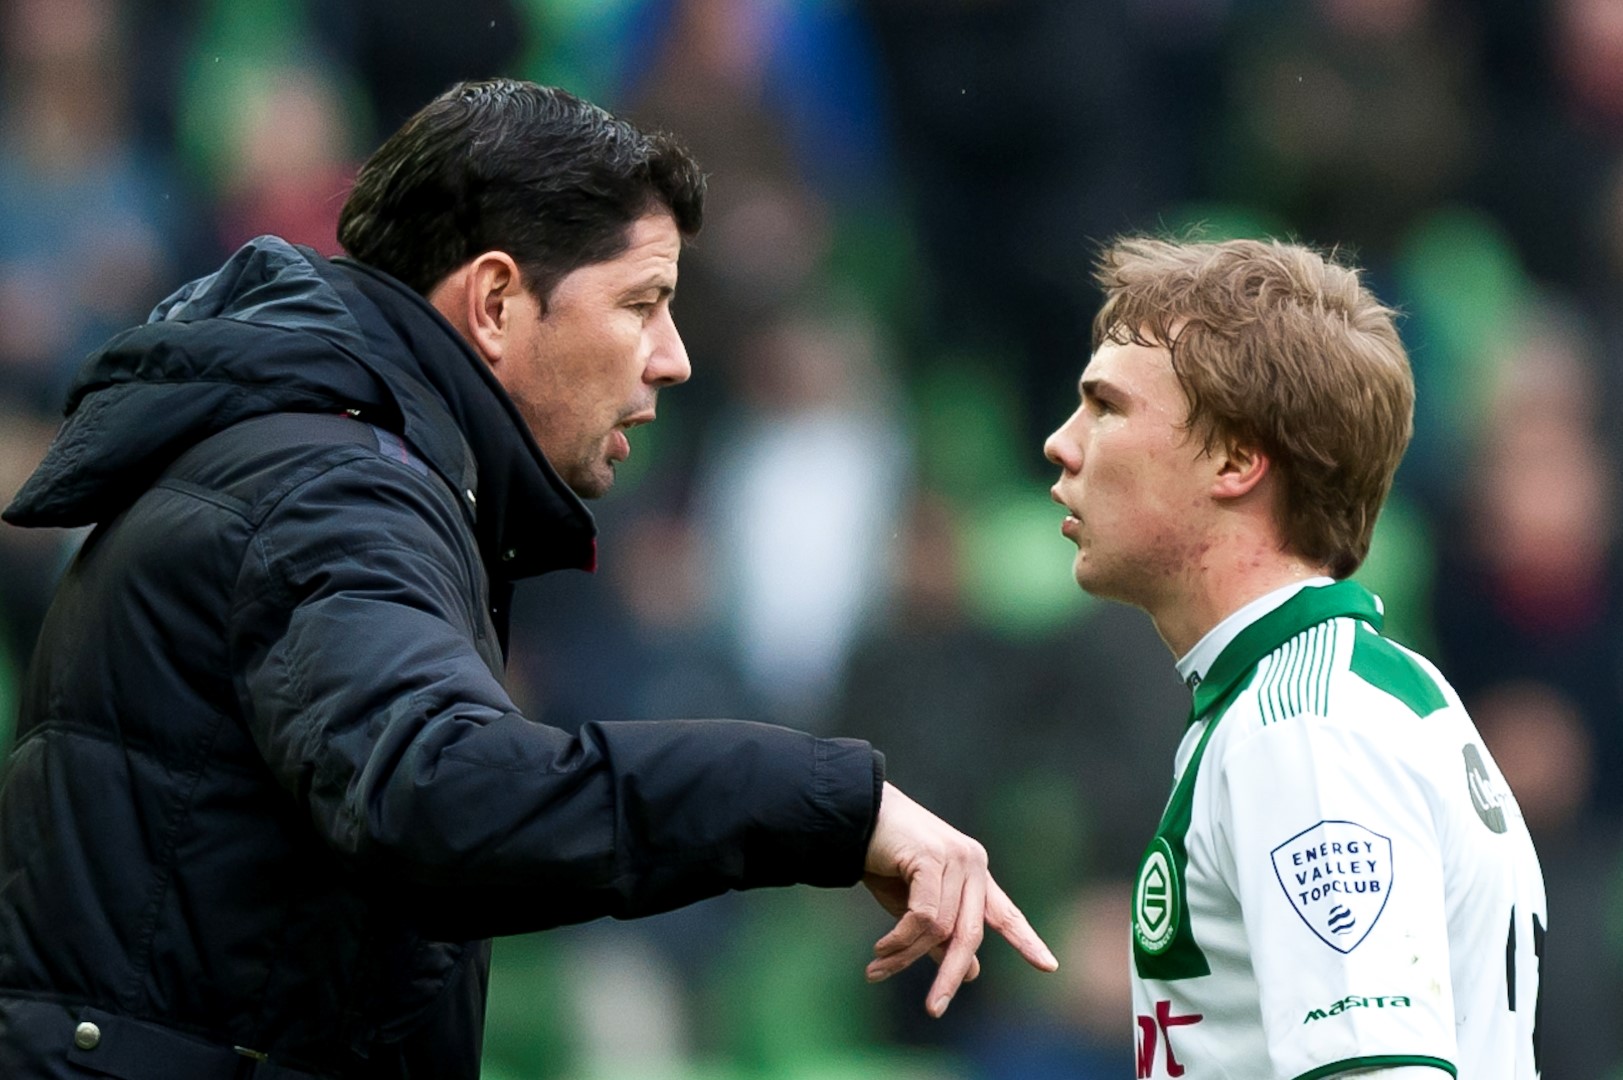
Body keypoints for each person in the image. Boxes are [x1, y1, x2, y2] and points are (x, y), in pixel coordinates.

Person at [0, 79, 1056, 1079]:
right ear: (498, 302)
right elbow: (440, 794)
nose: (673, 357)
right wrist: (828, 803)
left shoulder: (317, 454)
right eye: (641, 303)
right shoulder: (334, 489)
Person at [1042, 237, 1546, 1079]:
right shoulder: (1338, 696)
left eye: (1106, 408)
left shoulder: (1303, 731)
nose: (1062, 443)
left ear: (1237, 459)